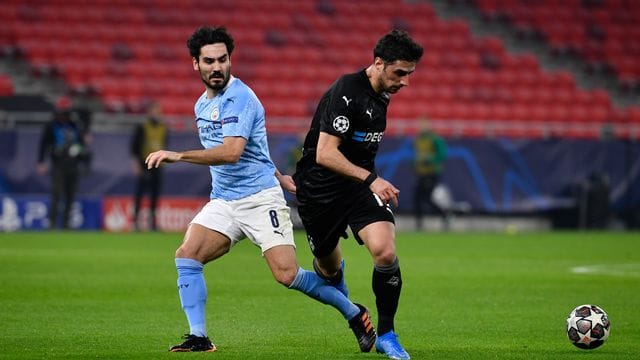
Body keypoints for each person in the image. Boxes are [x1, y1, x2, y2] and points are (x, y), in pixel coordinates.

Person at [145, 26, 376, 353]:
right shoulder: (201, 105)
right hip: (224, 200)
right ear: (195, 64)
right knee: (187, 255)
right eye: (209, 61)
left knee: (287, 275)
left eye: (222, 59)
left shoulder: (241, 97)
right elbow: (255, 148)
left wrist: (178, 154)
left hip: (259, 199)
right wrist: (279, 173)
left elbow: (232, 152)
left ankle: (354, 313)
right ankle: (199, 337)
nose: (217, 67)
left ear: (229, 60)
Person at [293, 29, 424, 360]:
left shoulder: (383, 93)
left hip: (357, 187)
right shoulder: (346, 92)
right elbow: (324, 153)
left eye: (410, 74)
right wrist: (371, 179)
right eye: (399, 73)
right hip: (319, 191)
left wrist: (368, 181)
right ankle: (346, 301)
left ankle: (387, 334)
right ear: (378, 63)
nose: (405, 82)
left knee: (385, 253)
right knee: (327, 271)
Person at [37, 96, 89, 229]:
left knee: (70, 194)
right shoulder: (51, 125)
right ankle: (52, 223)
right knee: (56, 193)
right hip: (58, 162)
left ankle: (66, 223)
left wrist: (77, 149)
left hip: (73, 162)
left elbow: (82, 144)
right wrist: (41, 160)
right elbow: (44, 143)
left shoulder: (76, 124)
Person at [130, 101, 167, 231]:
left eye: (158, 111)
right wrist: (136, 165)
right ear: (149, 113)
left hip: (158, 165)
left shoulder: (163, 128)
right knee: (139, 194)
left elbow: (165, 146)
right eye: (154, 111)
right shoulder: (142, 127)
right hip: (144, 164)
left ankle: (153, 223)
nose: (157, 114)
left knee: (155, 195)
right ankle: (135, 223)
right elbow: (134, 148)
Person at [413, 120, 450, 231]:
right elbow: (417, 155)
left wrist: (430, 160)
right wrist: (416, 164)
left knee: (429, 198)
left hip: (431, 173)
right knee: (417, 199)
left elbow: (442, 154)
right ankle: (419, 224)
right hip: (421, 173)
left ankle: (445, 215)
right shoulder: (418, 140)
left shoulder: (435, 139)